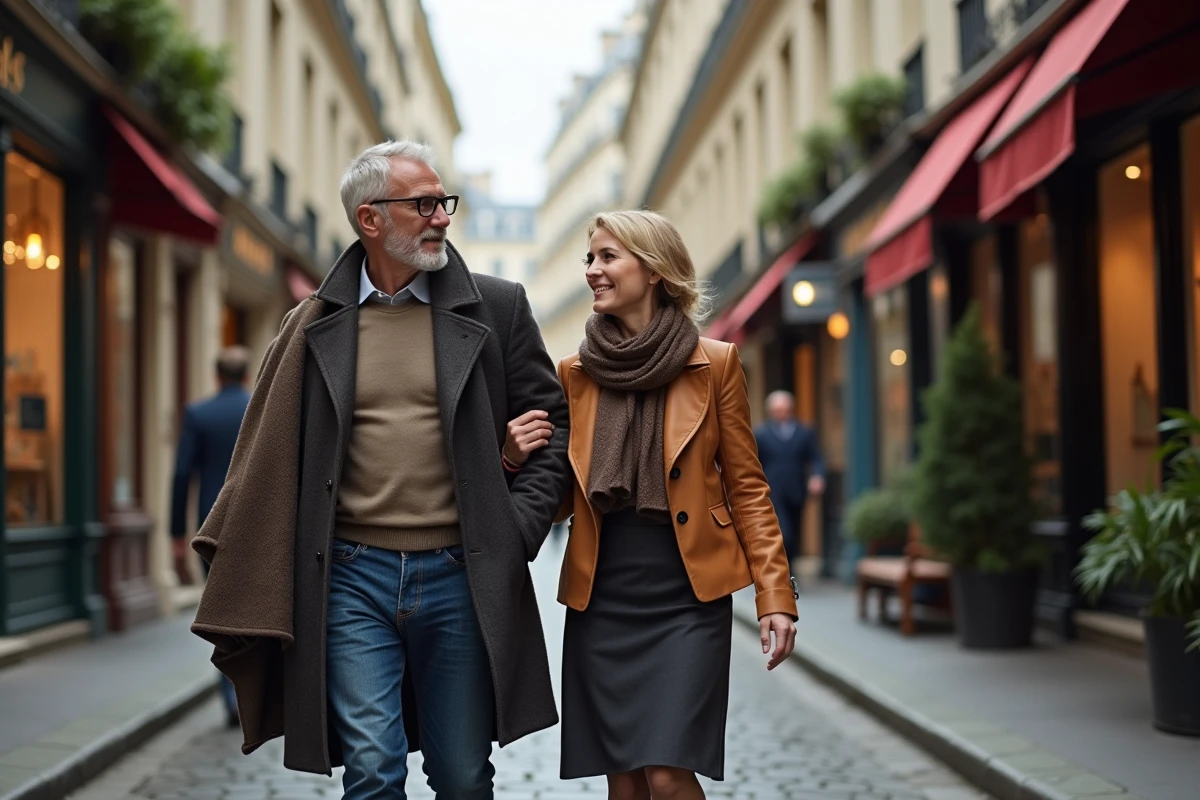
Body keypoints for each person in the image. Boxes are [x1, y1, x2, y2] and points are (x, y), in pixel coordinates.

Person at [188, 141, 571, 799]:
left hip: (459, 574)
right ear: (371, 219)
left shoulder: (498, 307)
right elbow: (272, 456)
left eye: (444, 202)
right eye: (423, 205)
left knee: (460, 774)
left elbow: (555, 431)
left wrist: (513, 533)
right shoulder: (311, 326)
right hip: (350, 578)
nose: (442, 218)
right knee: (370, 768)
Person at [551, 210, 798, 800]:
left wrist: (775, 595)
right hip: (603, 594)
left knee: (667, 770)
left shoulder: (714, 365)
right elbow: (561, 498)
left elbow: (747, 488)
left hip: (687, 594)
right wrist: (514, 457)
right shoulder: (574, 374)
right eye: (590, 258)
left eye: (608, 256)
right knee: (627, 780)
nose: (593, 271)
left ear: (653, 269)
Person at [170, 345, 252, 728]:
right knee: (253, 610)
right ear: (247, 376)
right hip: (257, 527)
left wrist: (175, 533)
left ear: (217, 376)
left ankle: (231, 696)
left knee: (220, 613)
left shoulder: (198, 414)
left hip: (211, 530)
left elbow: (182, 475)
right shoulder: (259, 408)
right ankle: (253, 694)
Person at [753, 390, 826, 568]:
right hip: (772, 490)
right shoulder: (761, 434)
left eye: (783, 409)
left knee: (794, 530)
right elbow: (754, 462)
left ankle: (790, 567)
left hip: (797, 489)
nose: (780, 413)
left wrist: (817, 477)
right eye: (776, 410)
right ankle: (781, 569)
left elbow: (816, 458)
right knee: (782, 530)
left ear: (791, 409)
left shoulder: (805, 432)